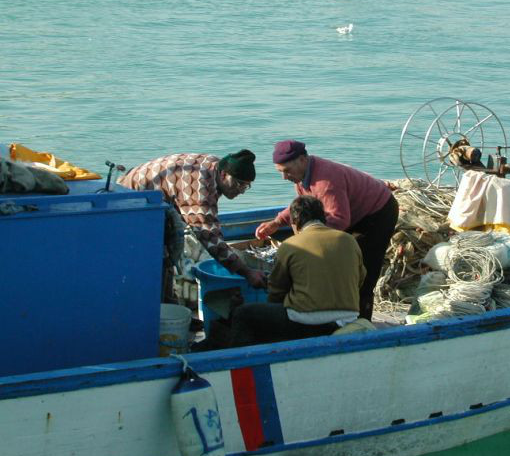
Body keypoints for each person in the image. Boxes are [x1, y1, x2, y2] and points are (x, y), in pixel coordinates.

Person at [255, 140, 398, 320]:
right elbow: (304, 204)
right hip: (350, 212)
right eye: (280, 172)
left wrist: (306, 242)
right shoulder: (302, 176)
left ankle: (361, 324)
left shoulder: (326, 181)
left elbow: (339, 219)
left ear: (301, 160)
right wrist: (276, 222)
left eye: (287, 171)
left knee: (362, 274)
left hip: (378, 212)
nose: (285, 177)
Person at [118, 150, 265, 302]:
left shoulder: (216, 166)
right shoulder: (199, 188)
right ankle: (156, 308)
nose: (241, 191)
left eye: (246, 186)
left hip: (157, 201)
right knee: (156, 255)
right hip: (130, 202)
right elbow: (209, 236)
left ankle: (169, 303)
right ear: (223, 175)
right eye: (239, 184)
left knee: (166, 252)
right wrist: (247, 272)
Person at [230, 195, 366, 346]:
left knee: (242, 314)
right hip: (348, 318)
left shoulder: (290, 245)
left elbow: (276, 291)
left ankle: (240, 361)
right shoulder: (349, 240)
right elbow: (360, 279)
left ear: (295, 222)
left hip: (305, 320)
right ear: (323, 217)